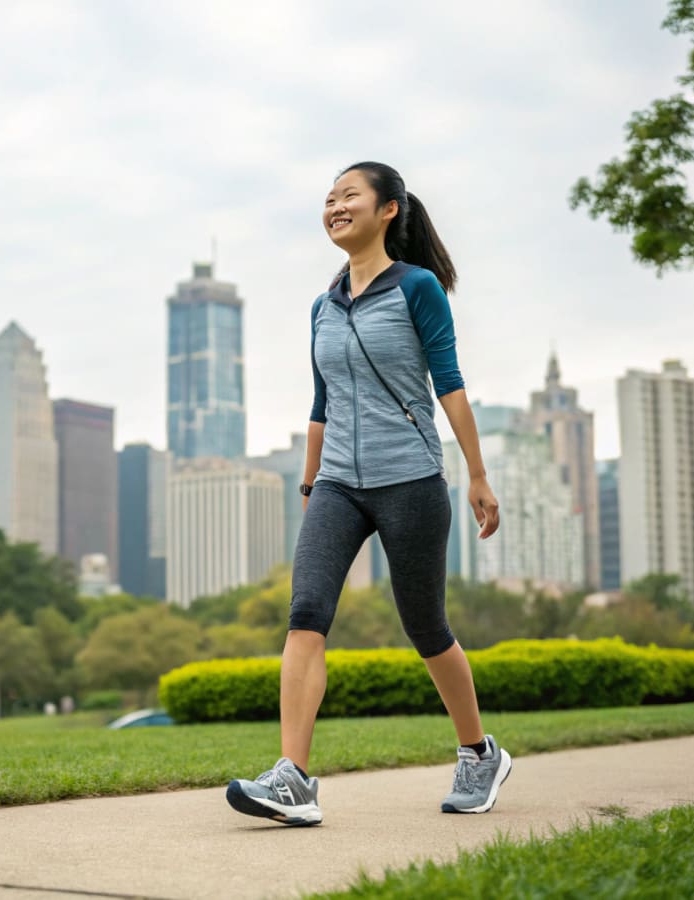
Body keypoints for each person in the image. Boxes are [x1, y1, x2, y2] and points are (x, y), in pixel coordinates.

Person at [227, 161, 510, 826]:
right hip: (338, 486)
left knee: (426, 627)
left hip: (409, 477)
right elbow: (321, 402)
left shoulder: (417, 289)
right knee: (306, 612)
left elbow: (450, 384)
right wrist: (309, 481)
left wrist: (476, 473)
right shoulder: (323, 307)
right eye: (328, 199)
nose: (335, 205)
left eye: (349, 195)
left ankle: (479, 752)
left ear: (388, 210)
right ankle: (292, 779)